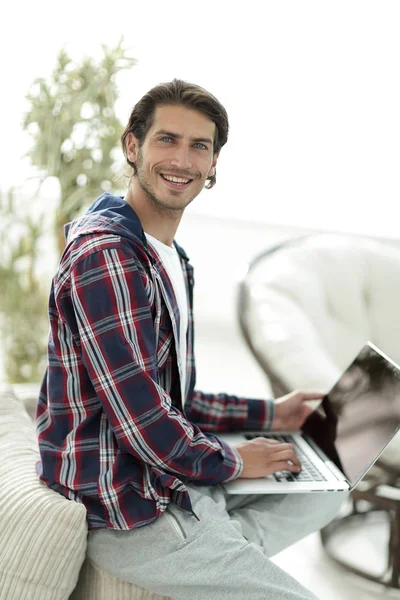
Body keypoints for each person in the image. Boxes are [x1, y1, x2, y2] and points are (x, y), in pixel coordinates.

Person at [36, 79, 346, 600]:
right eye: (166, 140)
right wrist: (233, 461)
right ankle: (212, 550)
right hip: (126, 507)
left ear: (214, 163)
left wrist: (273, 414)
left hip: (173, 479)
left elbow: (170, 400)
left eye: (199, 146)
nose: (182, 159)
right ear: (132, 146)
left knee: (326, 490)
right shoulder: (106, 258)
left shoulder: (169, 258)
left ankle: (217, 551)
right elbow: (144, 421)